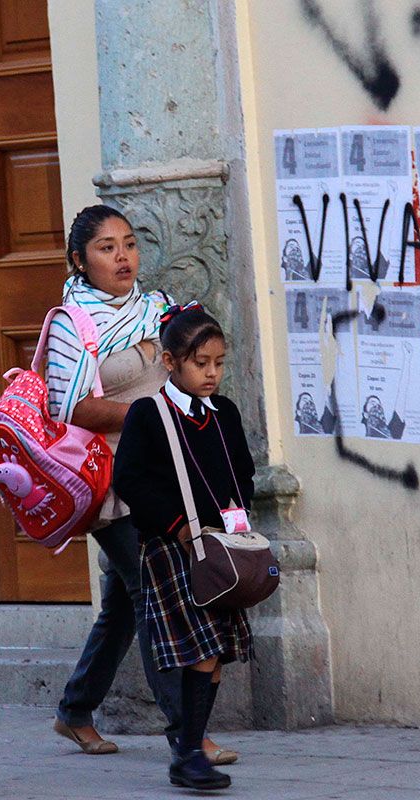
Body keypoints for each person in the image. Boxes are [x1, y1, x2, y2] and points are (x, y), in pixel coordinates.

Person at [46, 205, 237, 766]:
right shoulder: (71, 324)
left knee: (125, 604)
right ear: (80, 260)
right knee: (152, 597)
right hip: (110, 479)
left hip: (169, 474)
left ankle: (75, 709)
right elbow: (70, 409)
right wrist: (149, 416)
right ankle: (187, 735)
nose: (122, 256)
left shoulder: (158, 308)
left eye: (129, 243)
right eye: (106, 248)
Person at [112, 304, 254, 790]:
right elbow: (130, 479)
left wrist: (237, 520)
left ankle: (191, 750)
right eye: (200, 363)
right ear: (171, 362)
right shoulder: (149, 414)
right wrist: (177, 527)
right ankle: (189, 752)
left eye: (219, 363)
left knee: (215, 652)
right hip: (172, 547)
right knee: (202, 648)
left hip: (219, 549)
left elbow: (242, 472)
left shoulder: (224, 414)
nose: (211, 373)